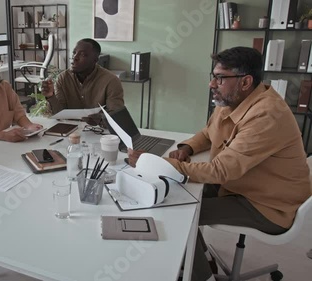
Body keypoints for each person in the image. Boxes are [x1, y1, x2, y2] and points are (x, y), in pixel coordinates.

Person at [128, 47, 311, 281]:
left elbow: (222, 170)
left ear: (245, 82)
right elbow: (208, 132)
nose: (212, 84)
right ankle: (204, 260)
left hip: (266, 205)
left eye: (220, 78)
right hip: (240, 185)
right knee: (174, 193)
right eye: (213, 76)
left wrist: (152, 162)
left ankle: (203, 276)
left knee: (178, 213)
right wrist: (187, 148)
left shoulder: (266, 115)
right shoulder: (233, 100)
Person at [41, 38, 124, 115]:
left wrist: (101, 120)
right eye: (74, 53)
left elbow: (116, 116)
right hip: (72, 129)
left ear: (95, 60)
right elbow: (59, 113)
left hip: (99, 129)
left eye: (83, 55)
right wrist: (50, 96)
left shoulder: (111, 81)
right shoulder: (63, 78)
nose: (75, 58)